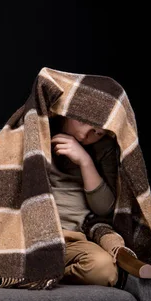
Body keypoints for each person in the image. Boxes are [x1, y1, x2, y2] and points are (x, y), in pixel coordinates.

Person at [49, 115, 127, 287]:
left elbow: (103, 209)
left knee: (104, 269)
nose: (86, 135)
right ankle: (34, 270)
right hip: (32, 237)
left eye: (98, 133)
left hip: (74, 239)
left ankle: (41, 275)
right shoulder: (36, 134)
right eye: (83, 121)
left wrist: (85, 161)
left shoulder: (103, 148)